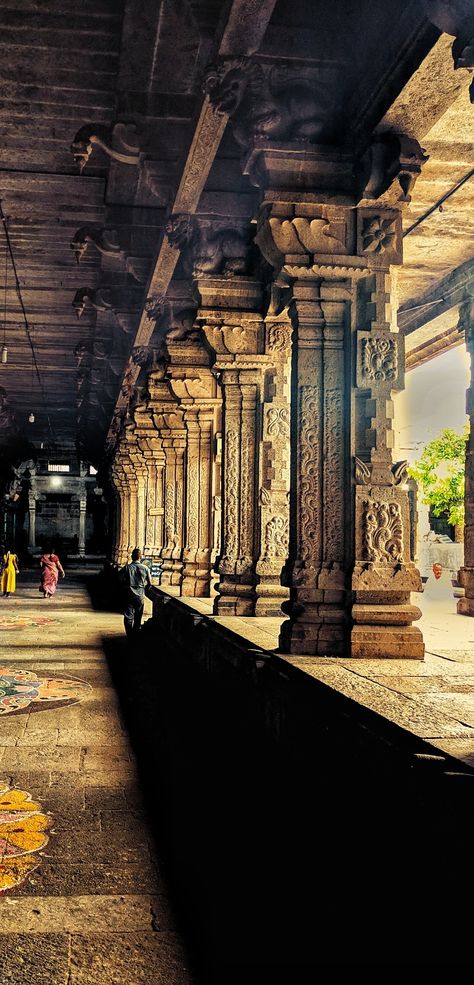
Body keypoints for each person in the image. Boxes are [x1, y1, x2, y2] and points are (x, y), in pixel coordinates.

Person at [122, 547, 151, 639]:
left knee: (128, 617)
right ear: (140, 557)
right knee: (138, 617)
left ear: (132, 557)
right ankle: (135, 634)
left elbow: (120, 580)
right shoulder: (145, 568)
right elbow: (150, 583)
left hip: (128, 594)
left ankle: (130, 635)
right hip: (140, 595)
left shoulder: (127, 568)